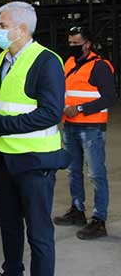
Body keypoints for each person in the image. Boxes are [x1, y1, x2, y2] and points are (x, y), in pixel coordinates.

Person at [0, 1, 69, 276]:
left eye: (3, 25)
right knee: (9, 225)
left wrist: (0, 124)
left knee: (38, 232)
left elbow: (51, 113)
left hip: (35, 162)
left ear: (21, 29)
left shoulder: (46, 61)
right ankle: (12, 271)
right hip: (5, 158)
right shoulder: (2, 59)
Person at [53, 26, 115, 240]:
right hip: (70, 125)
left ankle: (99, 220)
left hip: (91, 128)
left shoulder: (100, 66)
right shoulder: (69, 63)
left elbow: (110, 98)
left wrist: (80, 108)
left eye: (76, 43)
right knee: (73, 171)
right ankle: (77, 210)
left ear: (87, 44)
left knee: (96, 174)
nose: (72, 46)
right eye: (70, 42)